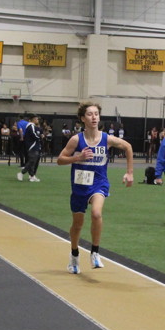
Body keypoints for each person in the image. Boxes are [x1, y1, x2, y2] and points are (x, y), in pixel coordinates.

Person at [57, 101, 134, 273]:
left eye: (96, 114)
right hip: (80, 185)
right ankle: (74, 255)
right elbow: (60, 160)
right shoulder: (76, 140)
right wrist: (78, 158)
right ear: (82, 118)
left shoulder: (106, 139)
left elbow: (128, 147)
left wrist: (129, 173)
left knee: (96, 213)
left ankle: (95, 252)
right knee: (77, 224)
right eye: (90, 114)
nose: (94, 117)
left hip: (99, 183)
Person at [18, 114, 42, 182]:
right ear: (33, 120)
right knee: (32, 161)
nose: (37, 120)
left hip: (33, 145)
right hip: (32, 146)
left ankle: (32, 176)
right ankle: (21, 173)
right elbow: (34, 134)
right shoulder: (31, 126)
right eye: (36, 119)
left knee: (32, 162)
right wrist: (39, 137)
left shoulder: (31, 126)